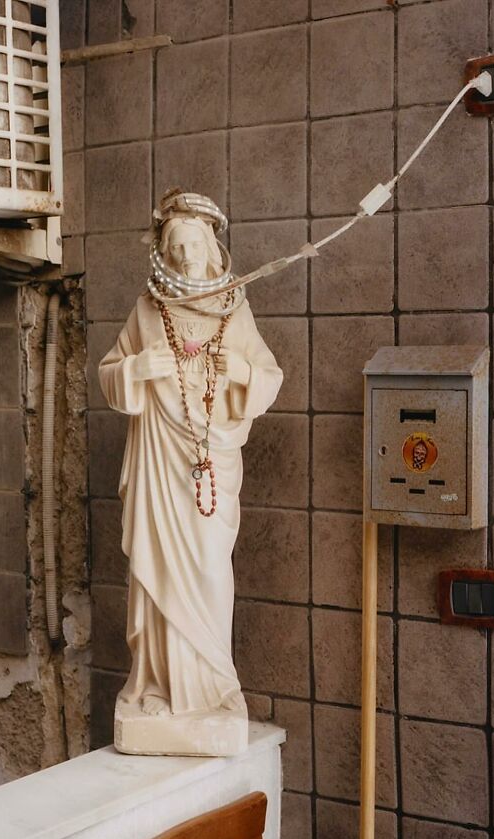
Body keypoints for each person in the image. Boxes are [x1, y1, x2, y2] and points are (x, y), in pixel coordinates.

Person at [98, 190, 283, 736]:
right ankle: (158, 687)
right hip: (160, 460)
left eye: (192, 245)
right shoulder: (148, 310)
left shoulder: (234, 306)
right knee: (158, 571)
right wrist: (138, 366)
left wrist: (242, 375)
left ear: (210, 246)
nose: (184, 257)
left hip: (211, 460)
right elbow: (110, 374)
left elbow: (269, 376)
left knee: (207, 571)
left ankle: (213, 687)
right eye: (174, 246)